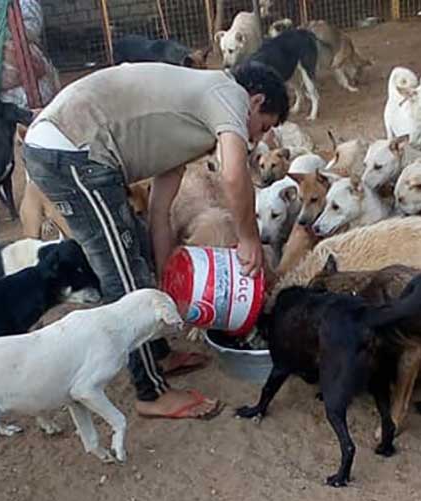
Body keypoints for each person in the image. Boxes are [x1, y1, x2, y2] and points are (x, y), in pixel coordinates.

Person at [22, 61, 290, 419]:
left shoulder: (188, 121)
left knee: (136, 261)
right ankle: (150, 392)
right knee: (124, 279)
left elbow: (160, 211)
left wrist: (166, 276)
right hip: (74, 153)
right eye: (263, 126)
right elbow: (233, 174)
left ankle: (158, 354)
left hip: (74, 151)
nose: (255, 138)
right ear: (255, 102)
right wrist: (248, 240)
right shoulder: (228, 95)